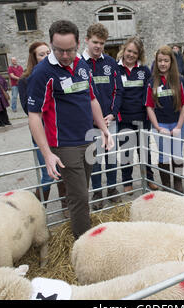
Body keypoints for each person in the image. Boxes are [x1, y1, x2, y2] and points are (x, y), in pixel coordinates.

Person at [27, 20, 114, 239]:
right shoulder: (42, 72)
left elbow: (92, 99)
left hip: (87, 138)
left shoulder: (82, 65)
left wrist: (103, 129)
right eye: (59, 50)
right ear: (51, 44)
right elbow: (34, 115)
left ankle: (83, 233)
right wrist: (47, 153)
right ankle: (84, 244)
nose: (65, 55)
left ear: (77, 43)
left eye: (70, 50)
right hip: (64, 144)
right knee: (79, 198)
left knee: (82, 191)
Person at [18, 41, 68, 216]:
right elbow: (28, 109)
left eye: (48, 53)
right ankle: (38, 211)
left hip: (60, 132)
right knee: (48, 174)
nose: (46, 57)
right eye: (41, 54)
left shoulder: (58, 75)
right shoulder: (25, 80)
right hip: (42, 134)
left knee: (63, 170)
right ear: (34, 58)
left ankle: (66, 206)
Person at [81, 23, 123, 210]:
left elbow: (118, 90)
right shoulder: (79, 64)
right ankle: (97, 192)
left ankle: (112, 189)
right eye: (95, 42)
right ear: (87, 40)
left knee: (111, 157)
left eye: (102, 43)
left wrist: (112, 114)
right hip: (89, 123)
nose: (98, 46)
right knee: (95, 159)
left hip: (109, 120)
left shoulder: (111, 63)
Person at [145, 45, 184, 193]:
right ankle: (166, 185)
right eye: (160, 61)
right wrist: (158, 128)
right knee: (163, 156)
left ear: (171, 62)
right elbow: (149, 107)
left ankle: (178, 183)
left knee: (177, 154)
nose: (163, 64)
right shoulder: (152, 82)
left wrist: (178, 126)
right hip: (161, 125)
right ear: (156, 62)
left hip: (177, 124)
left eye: (166, 60)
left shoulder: (180, 80)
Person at [116, 36, 159, 193]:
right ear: (124, 49)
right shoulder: (116, 68)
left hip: (142, 117)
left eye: (135, 52)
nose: (131, 55)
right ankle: (127, 182)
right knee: (126, 150)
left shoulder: (144, 70)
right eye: (129, 51)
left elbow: (149, 93)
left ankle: (149, 179)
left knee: (144, 150)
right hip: (124, 118)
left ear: (139, 54)